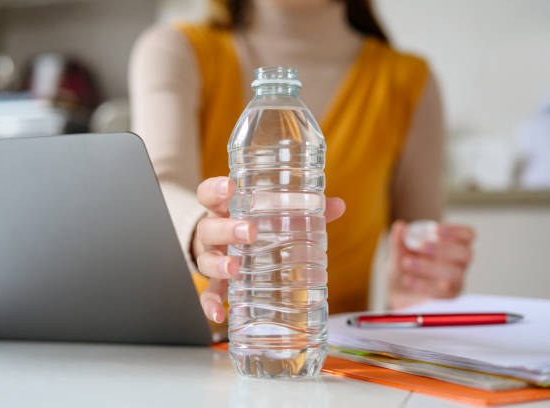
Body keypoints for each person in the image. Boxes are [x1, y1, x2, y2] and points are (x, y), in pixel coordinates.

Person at [129, 0, 475, 325]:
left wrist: (414, 300)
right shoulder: (175, 50)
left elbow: (418, 252)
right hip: (183, 358)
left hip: (328, 364)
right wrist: (201, 232)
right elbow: (159, 180)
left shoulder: (408, 82)